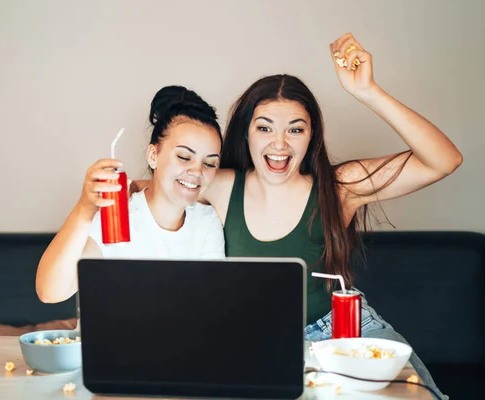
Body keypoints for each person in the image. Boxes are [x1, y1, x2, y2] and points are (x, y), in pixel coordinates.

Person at [136, 32, 460, 399]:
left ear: (311, 137)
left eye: (295, 129)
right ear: (246, 134)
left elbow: (444, 160)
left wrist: (368, 91)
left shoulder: (339, 187)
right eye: (264, 128)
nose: (279, 144)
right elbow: (160, 182)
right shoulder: (220, 185)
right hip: (260, 343)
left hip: (346, 330)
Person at [36, 85, 225, 305]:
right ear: (153, 155)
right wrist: (84, 208)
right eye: (184, 157)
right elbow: (50, 292)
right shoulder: (118, 216)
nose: (197, 171)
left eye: (209, 163)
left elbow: (210, 303)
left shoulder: (206, 222)